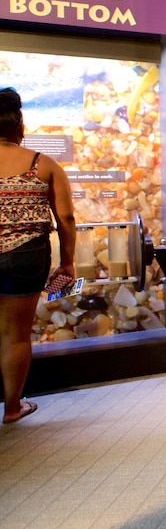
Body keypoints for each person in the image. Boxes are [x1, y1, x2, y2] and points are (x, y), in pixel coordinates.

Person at [0, 87, 76, 424]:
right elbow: (66, 219)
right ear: (20, 127)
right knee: (15, 335)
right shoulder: (42, 164)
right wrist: (68, 262)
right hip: (26, 255)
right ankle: (13, 408)